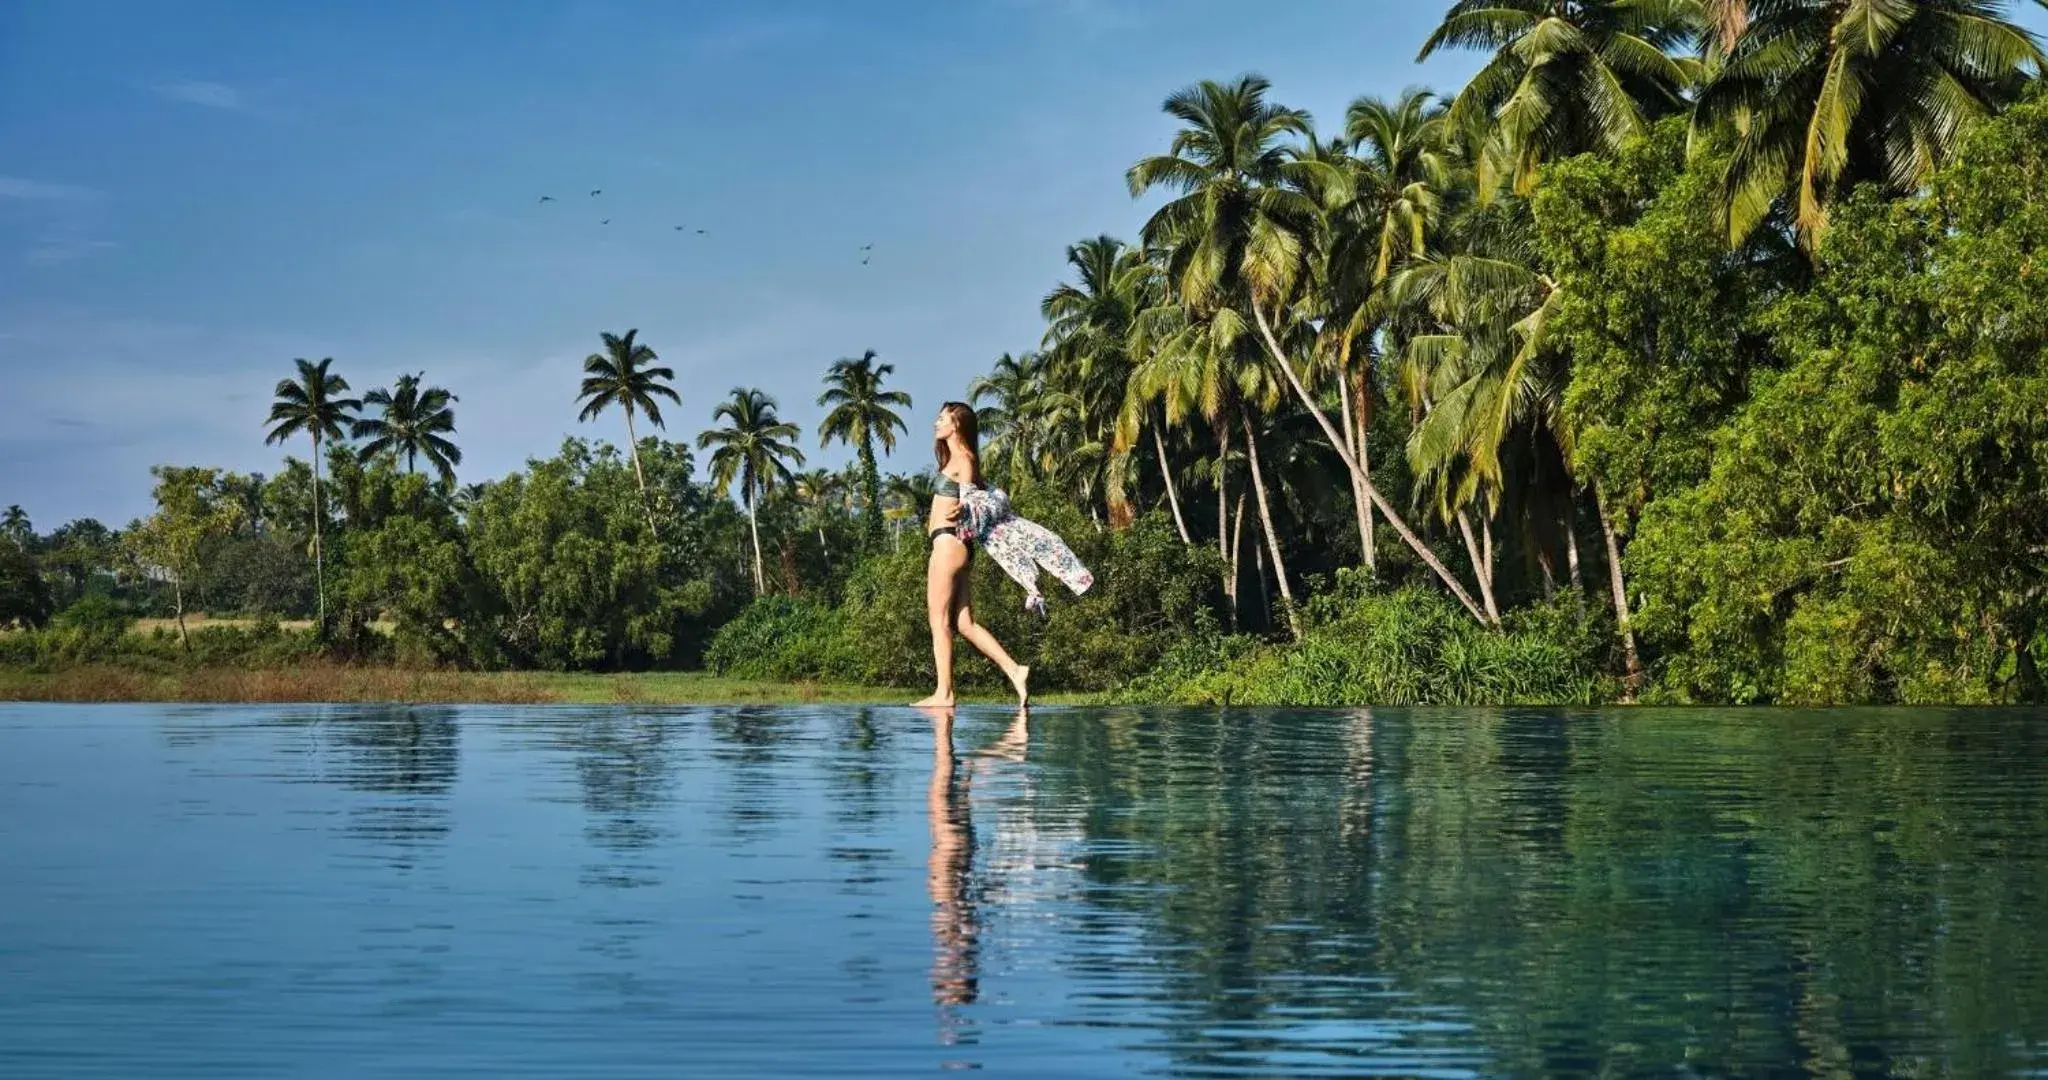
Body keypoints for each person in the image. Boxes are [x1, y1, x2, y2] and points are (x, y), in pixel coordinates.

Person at [914, 402, 1031, 708]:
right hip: (956, 547)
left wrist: (965, 507)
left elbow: (972, 500)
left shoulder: (964, 459)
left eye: (942, 418)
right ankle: (1015, 670)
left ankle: (945, 693)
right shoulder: (956, 458)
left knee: (938, 622)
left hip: (947, 544)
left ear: (957, 425)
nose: (936, 423)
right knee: (965, 624)